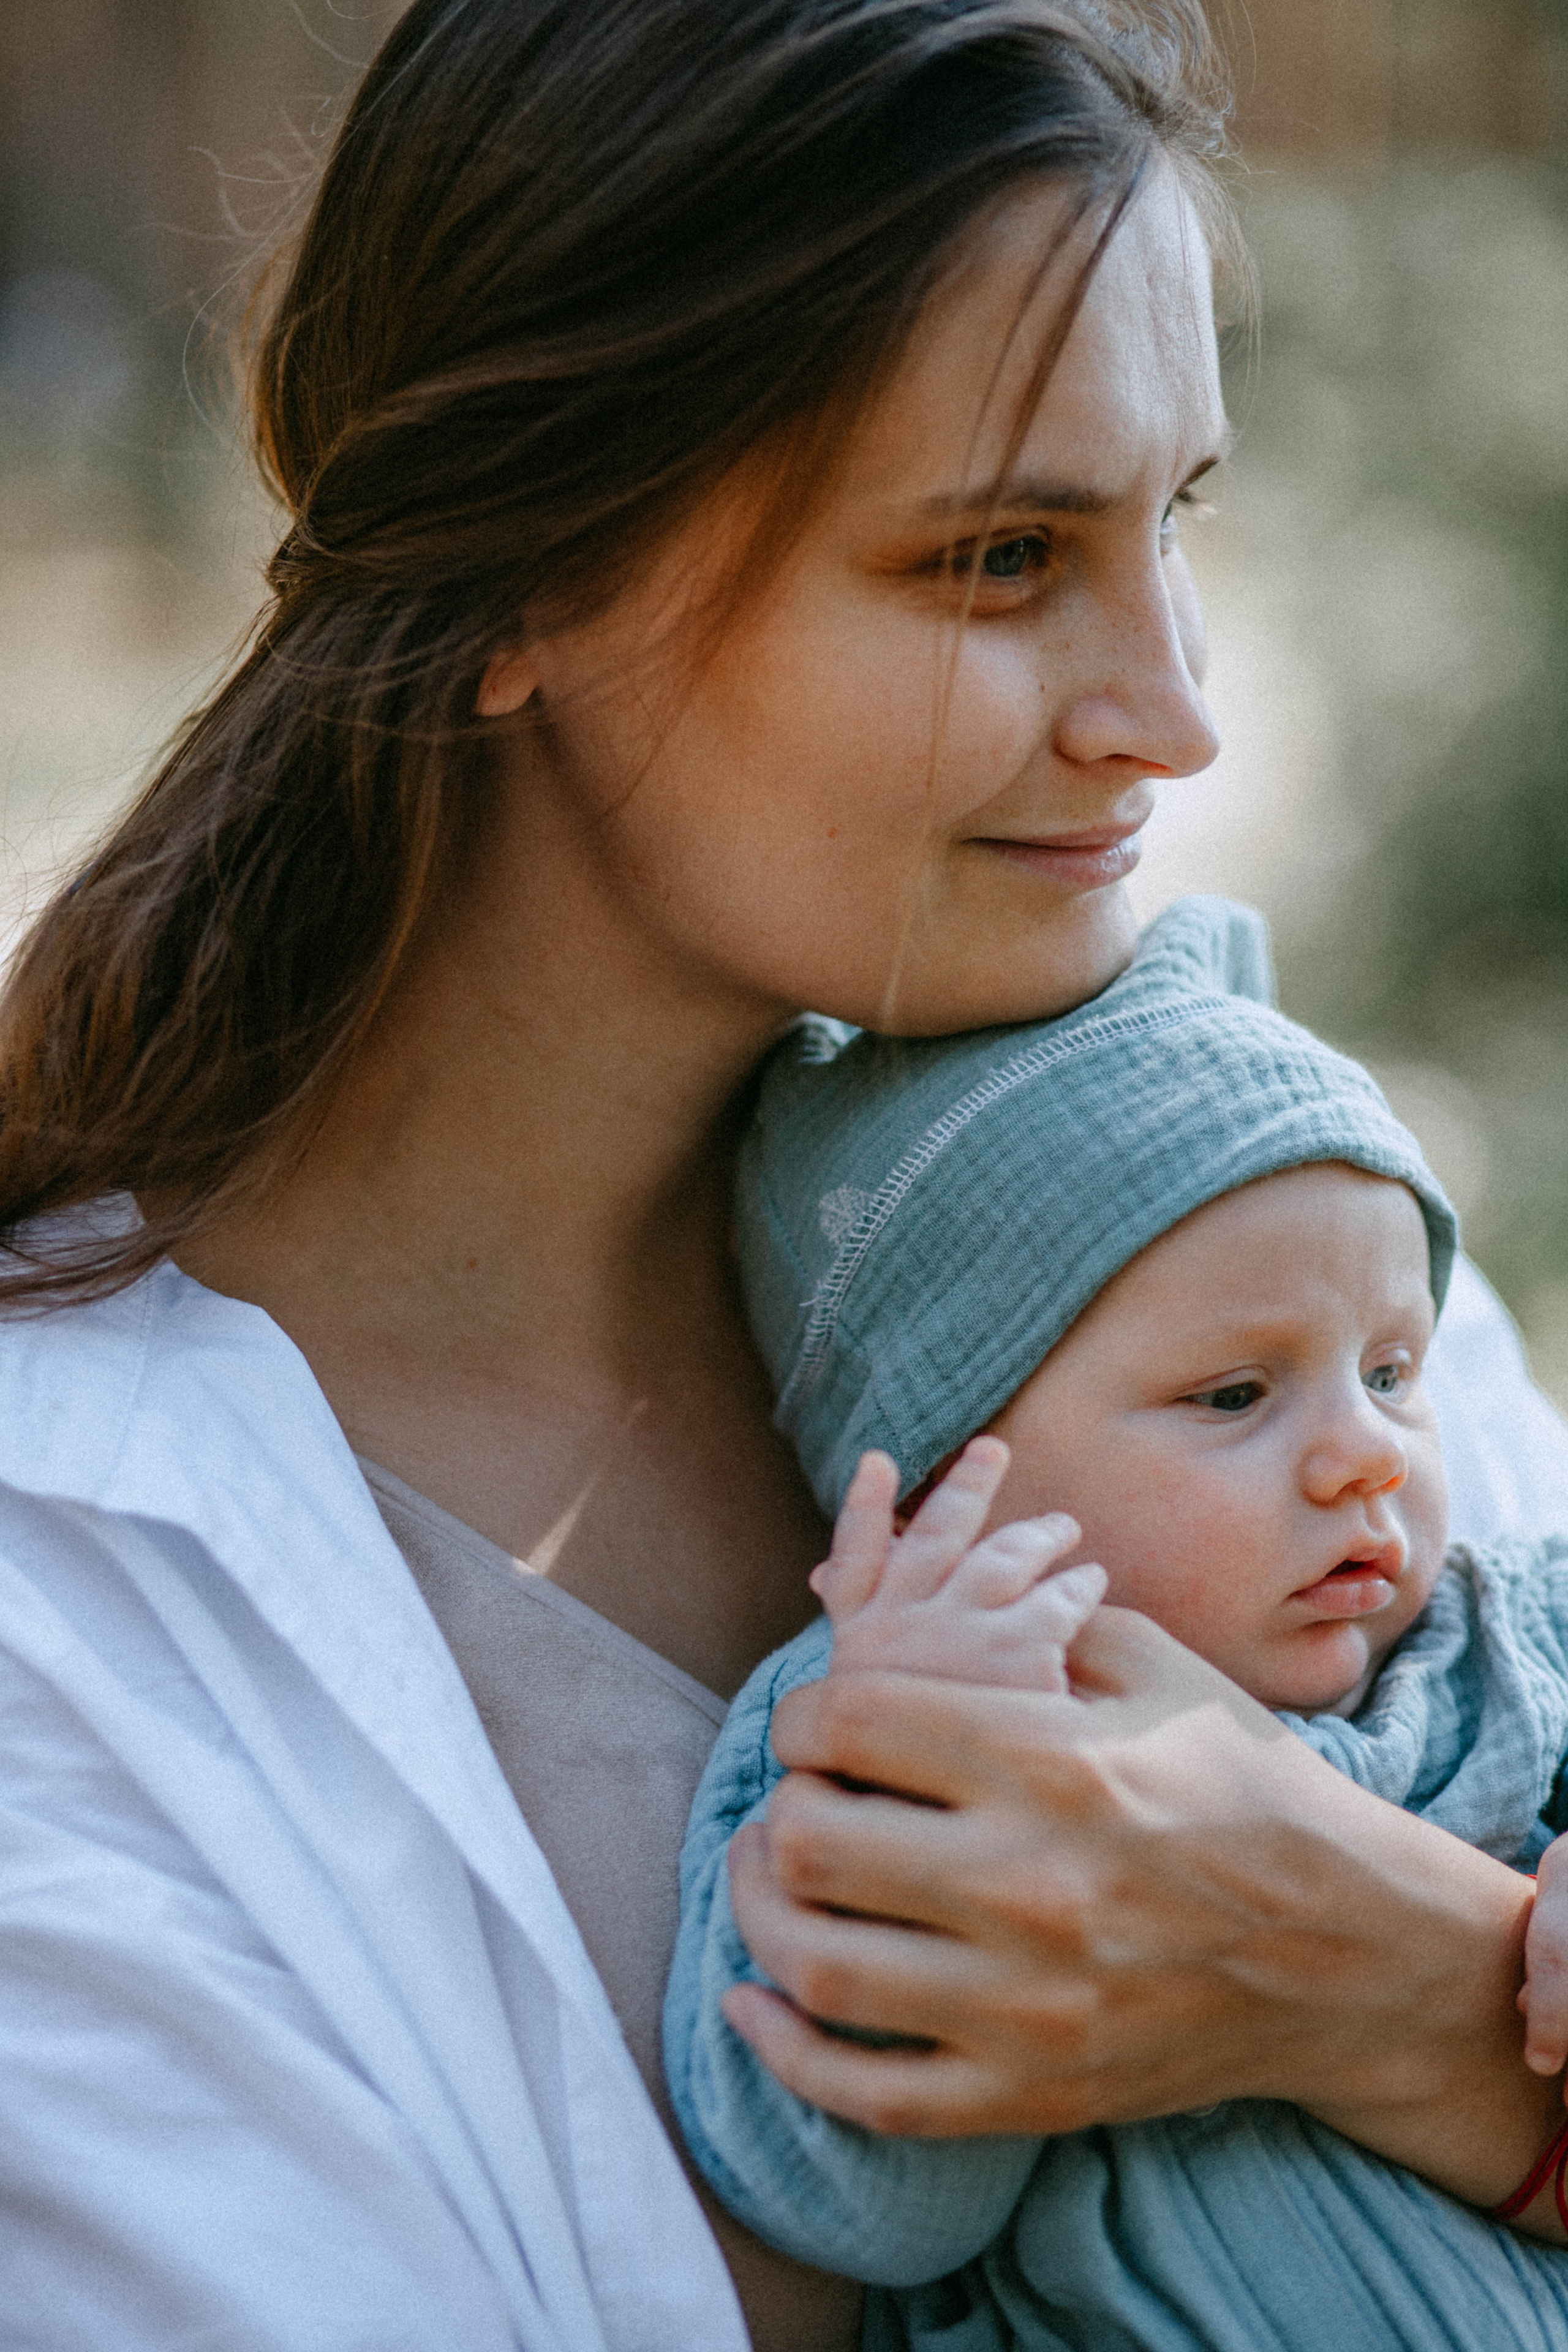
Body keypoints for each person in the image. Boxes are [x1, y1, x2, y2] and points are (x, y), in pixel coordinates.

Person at [2, 3, 1567, 2346]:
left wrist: (1396, 1995)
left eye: (1176, 525)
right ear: (529, 569)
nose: (1176, 705)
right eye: (1001, 554)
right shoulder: (74, 1620)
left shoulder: (1281, 1265)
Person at [665, 892, 1568, 2347]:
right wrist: (909, 1766)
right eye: (1233, 1395)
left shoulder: (1515, 1642)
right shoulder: (872, 1718)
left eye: (1392, 1370)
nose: (1369, 1454)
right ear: (953, 1479)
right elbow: (857, 2208)